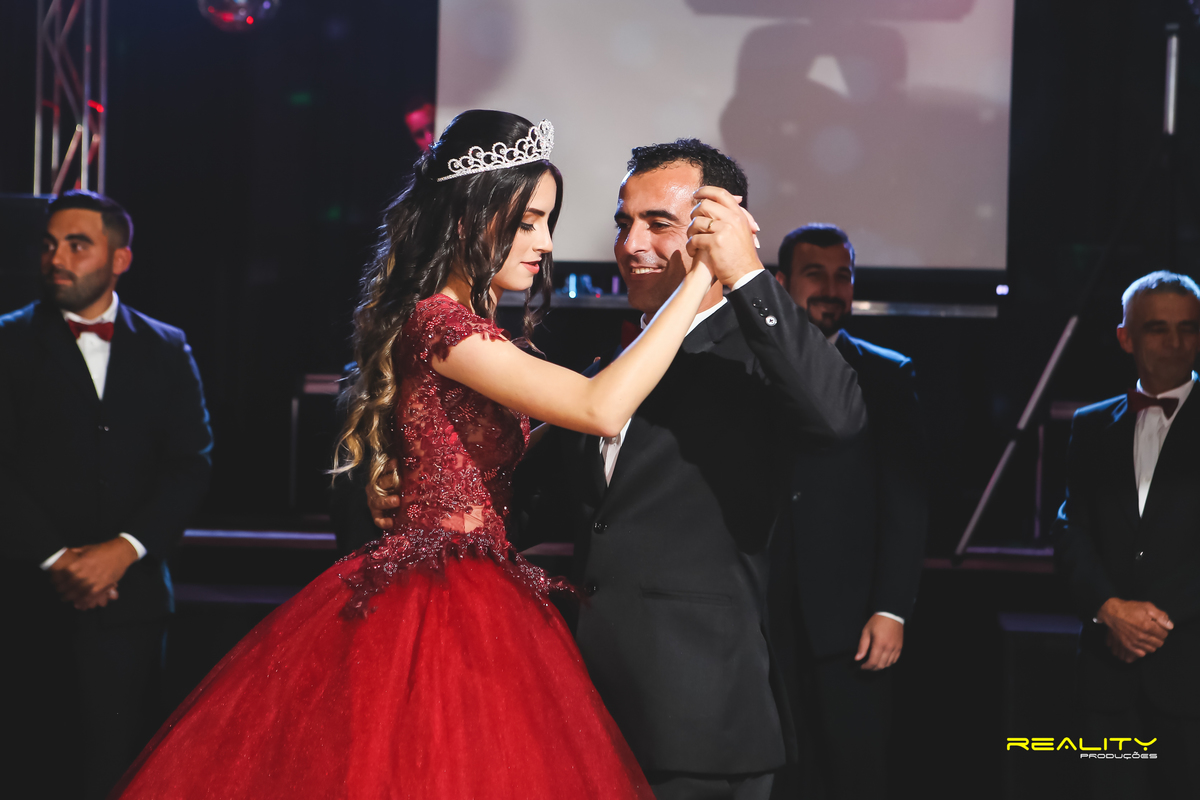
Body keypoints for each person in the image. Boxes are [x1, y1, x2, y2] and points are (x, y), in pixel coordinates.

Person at [110, 110, 742, 799]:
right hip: (442, 595)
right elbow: (598, 408)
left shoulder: (466, 325)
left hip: (479, 580)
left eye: (547, 222)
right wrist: (698, 281)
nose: (545, 243)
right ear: (469, 221)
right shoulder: (441, 323)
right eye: (528, 222)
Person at [374, 139, 868, 799]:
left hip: (701, 719)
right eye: (623, 223)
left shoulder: (757, 355)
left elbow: (839, 418)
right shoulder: (615, 366)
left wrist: (746, 275)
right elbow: (540, 496)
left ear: (714, 229)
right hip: (583, 709)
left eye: (658, 224)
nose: (631, 244)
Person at [0, 190, 213, 800]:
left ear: (120, 259)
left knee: (120, 773)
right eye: (49, 245)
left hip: (132, 603)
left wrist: (122, 551)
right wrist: (58, 559)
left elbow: (190, 465)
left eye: (77, 245)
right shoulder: (7, 341)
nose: (56, 258)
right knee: (26, 766)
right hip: (25, 597)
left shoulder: (167, 346)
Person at [770, 223, 928, 799]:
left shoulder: (888, 373)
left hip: (851, 623)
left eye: (843, 276)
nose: (832, 289)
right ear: (781, 282)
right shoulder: (747, 363)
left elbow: (905, 501)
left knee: (853, 775)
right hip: (759, 616)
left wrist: (891, 609)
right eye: (816, 274)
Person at [1054, 271, 1200, 799]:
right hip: (1106, 675)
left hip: (1191, 671)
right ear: (1126, 337)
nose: (1176, 342)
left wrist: (1151, 622)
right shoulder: (1091, 425)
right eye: (1158, 328)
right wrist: (1110, 609)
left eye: (1188, 328)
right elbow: (1071, 527)